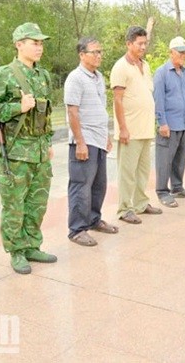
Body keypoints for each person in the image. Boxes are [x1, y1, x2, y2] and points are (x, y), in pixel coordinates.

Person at [0, 22, 57, 275]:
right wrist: (17, 108)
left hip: (39, 150)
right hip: (15, 152)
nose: (39, 47)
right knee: (15, 204)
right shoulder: (4, 74)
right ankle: (16, 251)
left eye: (41, 42)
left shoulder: (42, 76)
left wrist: (48, 142)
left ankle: (32, 244)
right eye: (34, 42)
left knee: (37, 203)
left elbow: (46, 114)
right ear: (19, 44)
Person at [64, 37, 118, 247]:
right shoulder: (75, 78)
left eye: (100, 52)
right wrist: (80, 142)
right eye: (94, 52)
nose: (99, 56)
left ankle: (94, 219)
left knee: (98, 185)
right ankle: (77, 229)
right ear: (82, 55)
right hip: (84, 140)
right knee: (81, 186)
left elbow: (100, 108)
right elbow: (72, 112)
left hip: (99, 140)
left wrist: (105, 135)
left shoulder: (98, 77)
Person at [110, 26, 163, 224]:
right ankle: (125, 209)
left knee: (142, 171)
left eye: (145, 43)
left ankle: (141, 203)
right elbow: (117, 100)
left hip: (146, 129)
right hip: (129, 131)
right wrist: (123, 128)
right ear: (129, 44)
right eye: (139, 43)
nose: (143, 47)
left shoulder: (145, 65)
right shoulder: (120, 67)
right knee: (127, 172)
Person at [153, 36, 185, 208]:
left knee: (180, 158)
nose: (183, 55)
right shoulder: (162, 73)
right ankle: (162, 191)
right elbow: (159, 100)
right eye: (180, 52)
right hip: (169, 124)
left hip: (184, 123)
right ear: (171, 52)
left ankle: (177, 187)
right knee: (165, 159)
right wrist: (162, 122)